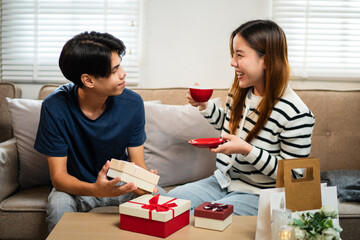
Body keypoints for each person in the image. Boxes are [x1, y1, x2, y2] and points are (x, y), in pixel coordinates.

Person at [167, 20, 315, 215]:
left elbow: (295, 175)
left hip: (260, 193)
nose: (232, 62)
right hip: (222, 181)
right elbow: (230, 128)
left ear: (267, 60)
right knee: (168, 203)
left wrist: (247, 150)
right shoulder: (240, 92)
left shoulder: (295, 112)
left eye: (239, 55)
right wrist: (205, 106)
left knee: (201, 219)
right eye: (233, 54)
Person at [34, 31, 164, 232]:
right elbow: (59, 177)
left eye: (120, 65)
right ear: (88, 80)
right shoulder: (54, 107)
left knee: (162, 198)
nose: (123, 74)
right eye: (114, 70)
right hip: (75, 189)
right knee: (58, 205)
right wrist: (96, 190)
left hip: (120, 186)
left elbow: (138, 163)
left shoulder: (132, 103)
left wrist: (144, 180)